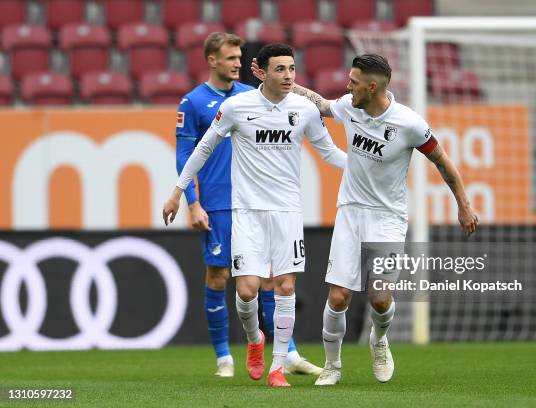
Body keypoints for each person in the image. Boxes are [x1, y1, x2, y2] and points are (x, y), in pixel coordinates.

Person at [277, 54, 478, 385]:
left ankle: (379, 339)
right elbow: (323, 105)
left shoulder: (409, 124)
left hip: (388, 218)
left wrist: (464, 206)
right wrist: (287, 84)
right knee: (339, 296)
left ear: (372, 87)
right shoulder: (349, 106)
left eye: (354, 82)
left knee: (380, 298)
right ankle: (333, 366)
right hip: (351, 212)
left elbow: (443, 163)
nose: (347, 86)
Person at [165, 43, 347, 387]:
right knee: (247, 291)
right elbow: (203, 147)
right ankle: (254, 340)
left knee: (285, 287)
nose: (288, 76)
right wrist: (179, 191)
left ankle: (278, 367)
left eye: (292, 68)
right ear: (261, 72)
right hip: (246, 212)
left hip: (288, 212)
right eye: (280, 69)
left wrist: (368, 168)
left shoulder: (304, 110)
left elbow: (329, 152)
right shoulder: (236, 107)